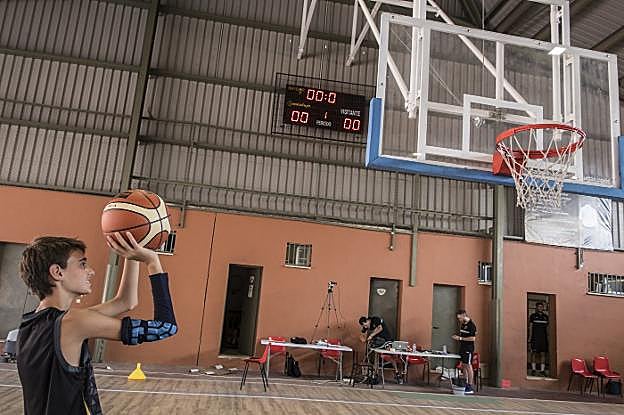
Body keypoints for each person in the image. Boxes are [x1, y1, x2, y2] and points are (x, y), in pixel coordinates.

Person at [16, 233, 178, 414]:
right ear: (58, 272)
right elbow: (165, 327)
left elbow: (126, 302)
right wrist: (152, 261)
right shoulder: (74, 322)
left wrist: (131, 254)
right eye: (82, 264)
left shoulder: (30, 323)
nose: (90, 271)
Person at [359, 316, 401, 383]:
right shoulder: (365, 326)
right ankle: (375, 375)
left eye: (365, 325)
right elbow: (362, 333)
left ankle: (397, 373)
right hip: (378, 343)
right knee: (376, 357)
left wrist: (371, 335)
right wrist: (362, 338)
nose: (366, 327)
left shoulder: (375, 319)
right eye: (364, 326)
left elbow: (380, 328)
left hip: (386, 340)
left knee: (391, 357)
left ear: (367, 321)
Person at [452, 309, 476, 395]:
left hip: (468, 349)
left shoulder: (471, 325)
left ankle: (470, 386)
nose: (459, 320)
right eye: (458, 319)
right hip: (462, 348)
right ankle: (465, 383)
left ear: (464, 315)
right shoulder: (463, 325)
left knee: (468, 366)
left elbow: (472, 338)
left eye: (460, 318)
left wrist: (460, 338)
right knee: (464, 366)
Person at [529, 302, 549, 377]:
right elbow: (530, 327)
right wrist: (530, 338)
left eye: (541, 306)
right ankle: (533, 370)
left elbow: (548, 328)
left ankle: (542, 370)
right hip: (535, 338)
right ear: (536, 308)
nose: (540, 308)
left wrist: (548, 338)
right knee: (533, 354)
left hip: (543, 338)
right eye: (539, 306)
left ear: (543, 308)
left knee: (543, 354)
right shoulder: (533, 316)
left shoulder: (546, 317)